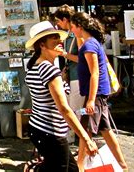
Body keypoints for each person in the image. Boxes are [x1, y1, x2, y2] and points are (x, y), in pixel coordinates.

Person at [25, 21, 97, 171]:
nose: (60, 41)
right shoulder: (48, 69)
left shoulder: (35, 66)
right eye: (53, 38)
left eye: (59, 37)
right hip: (50, 132)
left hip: (40, 129)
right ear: (42, 45)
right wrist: (86, 138)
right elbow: (64, 108)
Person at [70, 12, 128, 170]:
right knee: (105, 130)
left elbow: (94, 73)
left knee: (85, 130)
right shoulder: (91, 42)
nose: (71, 29)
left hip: (94, 94)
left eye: (73, 27)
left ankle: (79, 167)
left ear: (80, 27)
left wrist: (90, 99)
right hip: (98, 94)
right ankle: (122, 165)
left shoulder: (89, 45)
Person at [53, 5, 85, 144]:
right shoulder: (67, 36)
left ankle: (79, 136)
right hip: (71, 75)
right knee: (72, 106)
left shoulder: (77, 35)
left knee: (76, 109)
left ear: (65, 19)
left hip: (79, 76)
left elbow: (82, 58)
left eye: (59, 21)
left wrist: (64, 54)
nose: (58, 24)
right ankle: (76, 135)